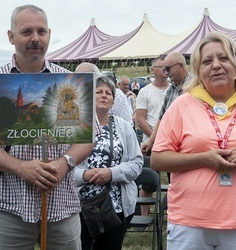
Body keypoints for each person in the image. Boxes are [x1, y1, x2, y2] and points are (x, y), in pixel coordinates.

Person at [0, 5, 94, 249]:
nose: (35, 38)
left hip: (62, 205)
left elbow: (87, 138)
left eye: (41, 31)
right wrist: (21, 168)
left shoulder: (71, 81)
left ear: (49, 34)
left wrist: (63, 163)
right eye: (26, 32)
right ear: (11, 36)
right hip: (11, 208)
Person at [151, 32, 236, 250]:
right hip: (189, 221)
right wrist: (204, 159)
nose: (216, 65)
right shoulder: (182, 105)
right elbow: (158, 160)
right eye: (207, 61)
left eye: (223, 58)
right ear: (198, 70)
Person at [74, 75, 142, 250]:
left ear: (113, 102)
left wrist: (112, 173)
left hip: (116, 207)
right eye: (98, 92)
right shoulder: (75, 127)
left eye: (108, 93)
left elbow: (136, 164)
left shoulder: (124, 127)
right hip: (79, 207)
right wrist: (84, 175)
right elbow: (62, 165)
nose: (104, 95)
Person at [135, 56, 169, 217]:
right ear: (153, 69)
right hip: (149, 142)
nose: (165, 70)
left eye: (166, 67)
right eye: (161, 66)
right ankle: (144, 216)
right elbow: (140, 119)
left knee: (176, 181)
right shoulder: (145, 91)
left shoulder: (174, 90)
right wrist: (154, 138)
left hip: (172, 143)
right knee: (148, 183)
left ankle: (173, 216)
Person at [141, 52, 191, 157]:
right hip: (173, 148)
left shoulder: (195, 86)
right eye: (164, 70)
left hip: (189, 148)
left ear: (180, 66)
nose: (166, 73)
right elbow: (162, 117)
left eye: (168, 69)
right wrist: (150, 142)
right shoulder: (171, 89)